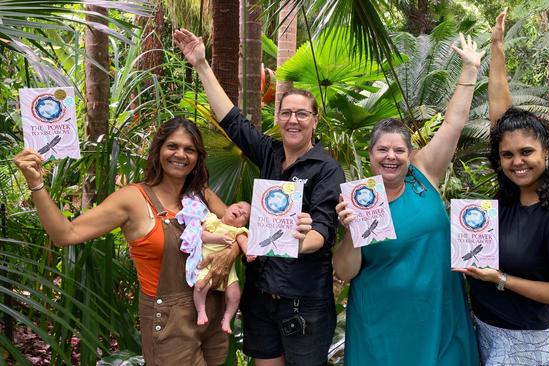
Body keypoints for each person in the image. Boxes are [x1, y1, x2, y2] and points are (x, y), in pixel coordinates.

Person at [174, 29, 345, 366]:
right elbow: (232, 120)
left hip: (304, 300)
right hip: (260, 295)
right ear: (278, 117)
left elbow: (321, 232)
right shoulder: (269, 152)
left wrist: (293, 239)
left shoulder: (327, 170)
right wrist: (202, 65)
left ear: (314, 120)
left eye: (301, 114)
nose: (293, 120)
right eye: (286, 113)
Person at [13, 117, 237, 365]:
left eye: (189, 149)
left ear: (197, 158)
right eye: (172, 146)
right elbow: (66, 234)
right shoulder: (133, 198)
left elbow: (237, 233)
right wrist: (36, 184)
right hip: (171, 321)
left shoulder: (201, 194)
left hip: (213, 313)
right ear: (158, 150)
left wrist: (230, 253)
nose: (180, 154)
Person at [332, 34, 482, 365]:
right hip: (382, 326)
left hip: (440, 315)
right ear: (370, 155)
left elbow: (453, 124)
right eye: (382, 149)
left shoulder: (423, 173)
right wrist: (352, 232)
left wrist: (470, 70)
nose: (391, 156)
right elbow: (344, 270)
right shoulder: (361, 199)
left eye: (399, 150)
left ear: (409, 153)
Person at [453, 10, 549, 365]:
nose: (518, 161)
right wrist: (497, 48)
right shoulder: (511, 196)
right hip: (482, 327)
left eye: (527, 152)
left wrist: (500, 278)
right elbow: (502, 117)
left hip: (523, 342)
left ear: (547, 151)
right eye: (508, 154)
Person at [176, 198, 250, 333]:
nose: (240, 211)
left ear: (243, 224)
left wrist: (248, 252)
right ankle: (201, 310)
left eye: (244, 215)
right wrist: (219, 239)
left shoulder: (238, 231)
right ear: (226, 208)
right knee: (200, 286)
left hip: (229, 271)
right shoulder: (213, 221)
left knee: (235, 295)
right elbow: (202, 236)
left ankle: (227, 318)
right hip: (206, 265)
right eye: (238, 206)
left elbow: (244, 241)